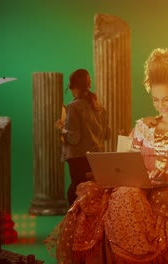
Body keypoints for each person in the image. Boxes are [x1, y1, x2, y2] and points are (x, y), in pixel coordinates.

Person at [45, 48, 168, 263]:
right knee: (117, 195)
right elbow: (127, 158)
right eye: (156, 100)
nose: (161, 106)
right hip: (140, 186)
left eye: (166, 99)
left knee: (127, 195)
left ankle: (141, 258)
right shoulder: (144, 125)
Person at [58, 68, 111, 206]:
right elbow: (107, 134)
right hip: (97, 157)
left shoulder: (73, 106)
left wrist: (62, 129)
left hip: (78, 158)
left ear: (72, 86)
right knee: (92, 194)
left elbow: (73, 138)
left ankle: (75, 226)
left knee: (76, 193)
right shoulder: (100, 108)